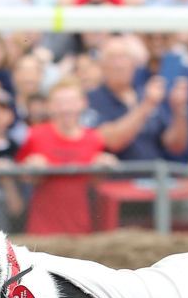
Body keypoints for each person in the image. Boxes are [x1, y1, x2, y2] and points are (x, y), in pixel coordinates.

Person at [18, 78, 116, 235]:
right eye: (59, 102)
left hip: (82, 228)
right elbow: (21, 177)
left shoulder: (94, 138)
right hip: (42, 229)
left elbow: (96, 184)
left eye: (71, 101)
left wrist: (104, 165)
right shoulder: (35, 135)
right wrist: (32, 169)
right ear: (49, 106)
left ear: (83, 103)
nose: (65, 108)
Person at [86, 37, 188, 162]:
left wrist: (179, 109)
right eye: (113, 58)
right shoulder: (91, 99)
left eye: (124, 57)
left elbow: (176, 146)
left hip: (155, 176)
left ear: (134, 64)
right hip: (117, 178)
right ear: (101, 66)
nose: (119, 65)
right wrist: (146, 106)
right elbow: (110, 141)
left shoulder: (145, 93)